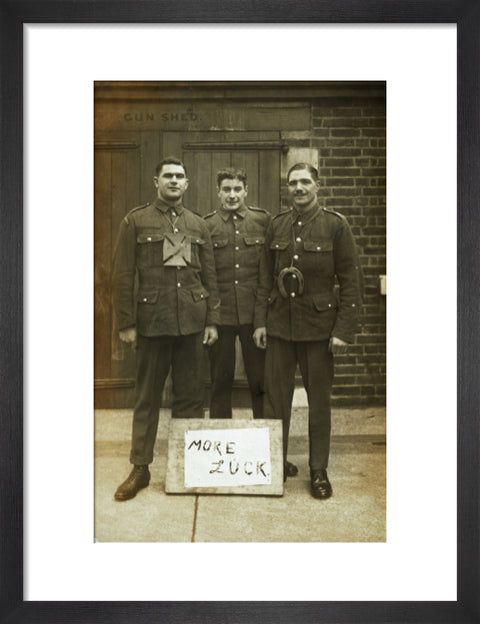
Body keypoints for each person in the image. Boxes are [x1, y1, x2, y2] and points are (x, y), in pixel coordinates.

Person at [112, 157, 220, 501]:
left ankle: (189, 466)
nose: (174, 181)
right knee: (146, 398)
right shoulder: (136, 220)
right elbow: (122, 276)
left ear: (187, 184)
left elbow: (210, 276)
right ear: (156, 181)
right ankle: (140, 468)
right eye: (168, 176)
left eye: (180, 177)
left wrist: (212, 320)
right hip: (152, 324)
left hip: (190, 322)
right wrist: (127, 323)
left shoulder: (197, 225)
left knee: (190, 398)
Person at [253, 163, 362, 499]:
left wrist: (343, 330)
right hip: (280, 329)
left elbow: (350, 281)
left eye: (304, 182)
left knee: (319, 404)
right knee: (276, 402)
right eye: (293, 183)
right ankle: (274, 465)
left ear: (317, 185)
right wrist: (260, 322)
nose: (298, 188)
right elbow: (264, 278)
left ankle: (318, 470)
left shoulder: (335, 225)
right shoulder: (277, 225)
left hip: (319, 330)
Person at [204, 167, 298, 480]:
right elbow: (208, 277)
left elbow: (266, 275)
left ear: (246, 191)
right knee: (220, 384)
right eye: (226, 189)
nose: (232, 195)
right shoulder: (207, 225)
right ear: (218, 192)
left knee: (262, 385)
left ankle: (268, 455)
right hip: (221, 319)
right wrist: (212, 321)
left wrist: (261, 323)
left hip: (254, 319)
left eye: (237, 189)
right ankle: (218, 461)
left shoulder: (263, 221)